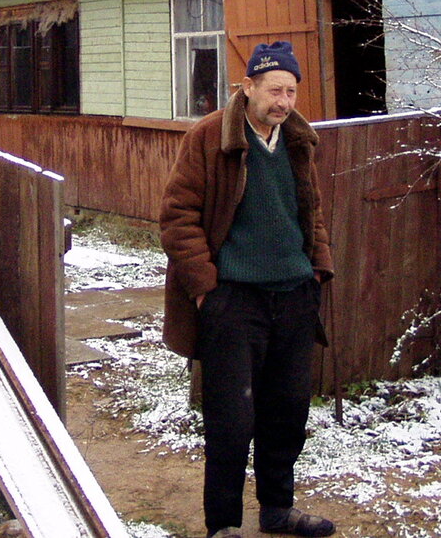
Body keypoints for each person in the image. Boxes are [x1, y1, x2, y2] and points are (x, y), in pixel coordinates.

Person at [160, 40, 336, 538]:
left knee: (287, 412)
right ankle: (224, 525)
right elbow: (177, 217)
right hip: (234, 301)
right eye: (274, 89)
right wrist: (205, 288)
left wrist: (318, 269)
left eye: (291, 91)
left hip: (294, 295)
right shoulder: (210, 137)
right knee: (231, 420)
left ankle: (278, 510)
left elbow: (313, 212)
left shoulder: (298, 141)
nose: (283, 101)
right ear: (248, 87)